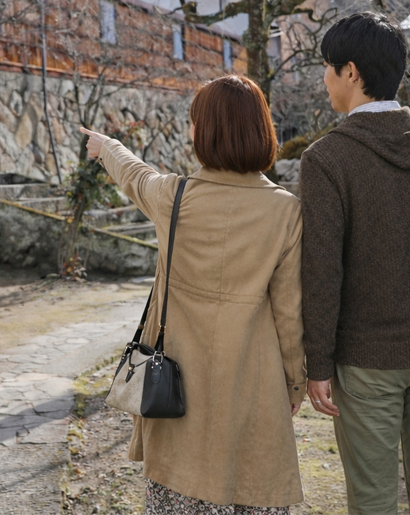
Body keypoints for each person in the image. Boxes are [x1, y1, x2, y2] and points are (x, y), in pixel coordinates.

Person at [80, 74, 306, 515]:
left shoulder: (174, 196)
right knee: (252, 488)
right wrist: (295, 382)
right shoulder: (285, 210)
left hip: (176, 391)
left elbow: (135, 175)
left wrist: (107, 147)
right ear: (262, 130)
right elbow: (289, 311)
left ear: (204, 131)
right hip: (253, 387)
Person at [300, 12, 410, 515]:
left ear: (351, 72)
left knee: (373, 502)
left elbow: (322, 272)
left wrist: (318, 363)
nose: (325, 79)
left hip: (367, 362)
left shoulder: (326, 160)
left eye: (328, 67)